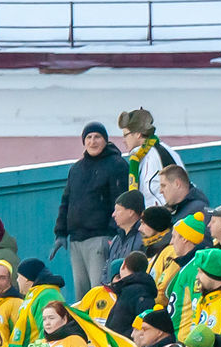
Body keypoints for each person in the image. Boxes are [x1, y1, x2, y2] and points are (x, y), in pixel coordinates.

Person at [56, 122, 127, 297]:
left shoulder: (116, 164)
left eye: (97, 137)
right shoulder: (76, 169)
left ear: (105, 140)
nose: (92, 141)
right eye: (88, 137)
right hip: (76, 240)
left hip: (100, 237)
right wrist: (61, 232)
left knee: (99, 292)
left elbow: (121, 199)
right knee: (82, 295)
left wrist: (113, 233)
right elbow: (66, 201)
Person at [118, 108, 184, 210]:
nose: (123, 140)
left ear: (138, 134)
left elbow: (179, 188)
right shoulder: (138, 158)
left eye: (125, 135)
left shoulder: (161, 153)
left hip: (165, 217)